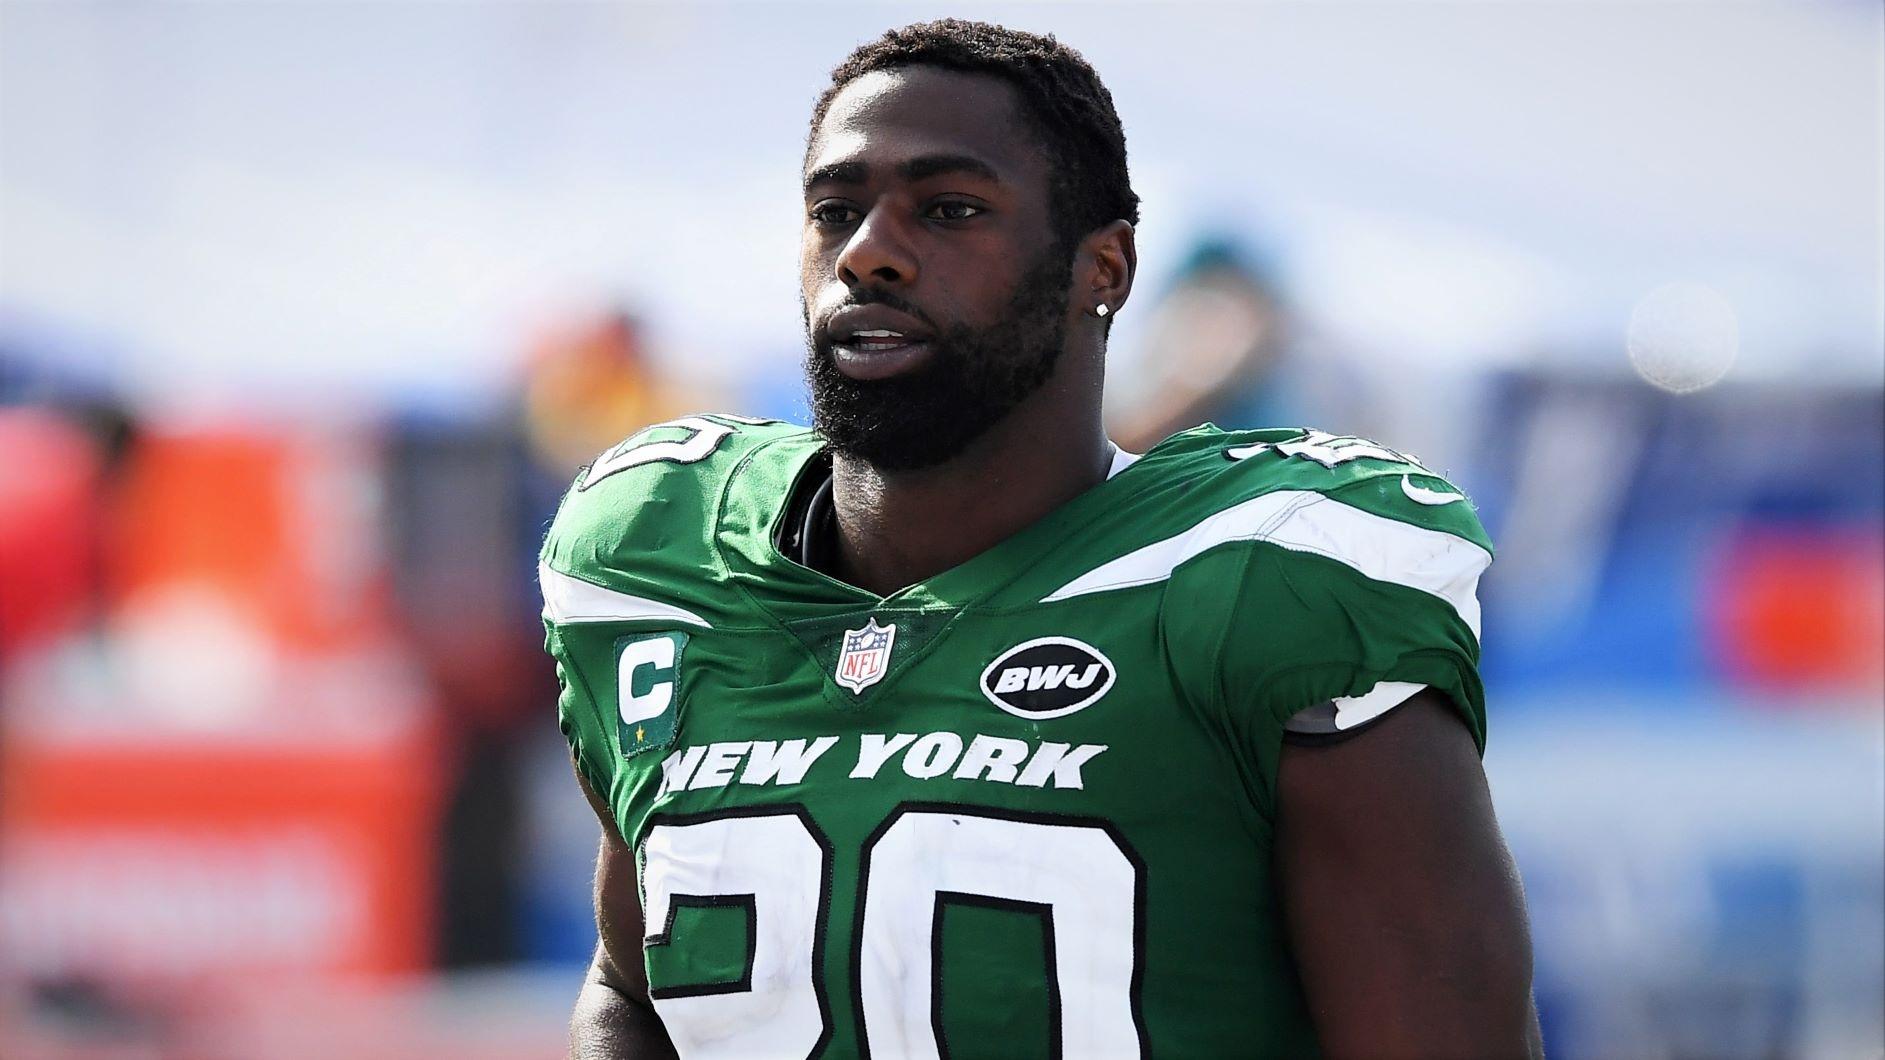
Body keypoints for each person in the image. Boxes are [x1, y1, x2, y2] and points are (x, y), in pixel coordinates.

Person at [540, 19, 1540, 1059]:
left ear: (1100, 268)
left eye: (950, 209)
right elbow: (630, 986)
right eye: (835, 211)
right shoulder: (656, 559)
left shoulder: (1262, 582)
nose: (869, 252)